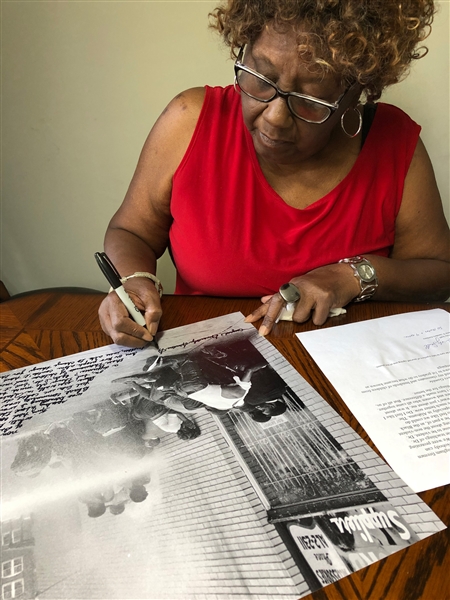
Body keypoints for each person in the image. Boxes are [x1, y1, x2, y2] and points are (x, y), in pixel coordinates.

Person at [98, 0, 450, 347]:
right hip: (208, 363)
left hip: (351, 370)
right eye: (261, 78)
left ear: (355, 91)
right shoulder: (189, 121)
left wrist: (352, 277)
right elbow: (131, 231)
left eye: (310, 99)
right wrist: (133, 280)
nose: (274, 118)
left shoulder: (394, 143)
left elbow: (439, 273)